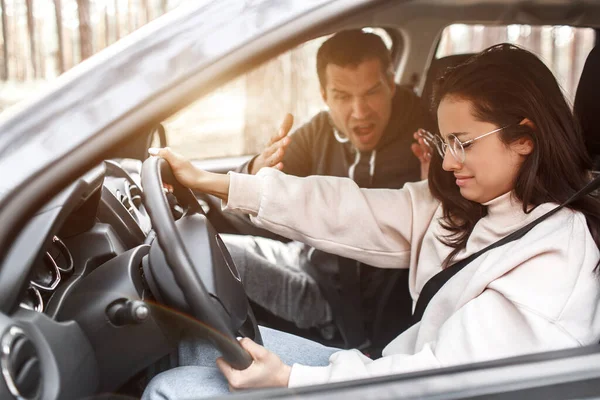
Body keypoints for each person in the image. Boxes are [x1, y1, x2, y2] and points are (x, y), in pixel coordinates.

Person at [143, 43, 600, 399]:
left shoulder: (554, 256)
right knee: (196, 346)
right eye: (445, 144)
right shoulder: (468, 206)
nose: (447, 163)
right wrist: (213, 182)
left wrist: (291, 379)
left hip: (409, 387)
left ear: (524, 138)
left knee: (171, 390)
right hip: (389, 370)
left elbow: (450, 379)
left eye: (463, 142)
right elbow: (346, 208)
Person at [220, 29, 434, 343]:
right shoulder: (321, 131)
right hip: (304, 258)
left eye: (371, 92)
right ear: (325, 95)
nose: (359, 112)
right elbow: (254, 187)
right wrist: (256, 168)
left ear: (391, 84)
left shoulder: (426, 140)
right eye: (343, 97)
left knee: (212, 263)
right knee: (208, 248)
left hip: (341, 305)